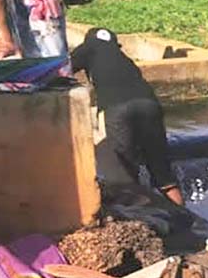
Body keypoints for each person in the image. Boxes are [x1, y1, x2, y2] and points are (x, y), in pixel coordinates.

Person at [71, 28, 183, 206]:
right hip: (150, 105)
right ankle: (186, 218)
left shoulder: (87, 48)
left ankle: (140, 220)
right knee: (163, 173)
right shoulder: (126, 60)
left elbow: (61, 70)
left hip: (116, 110)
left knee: (124, 173)